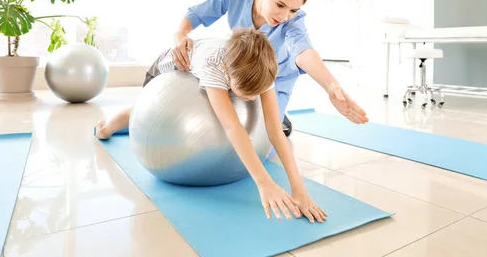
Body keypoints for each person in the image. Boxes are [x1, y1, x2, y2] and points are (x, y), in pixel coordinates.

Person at [96, 28, 327, 224]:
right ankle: (108, 126)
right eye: (247, 94)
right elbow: (232, 127)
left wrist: (300, 190)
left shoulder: (262, 70)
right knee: (141, 112)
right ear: (227, 72)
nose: (253, 99)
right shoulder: (214, 68)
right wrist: (264, 182)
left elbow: (275, 129)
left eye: (257, 93)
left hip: (213, 64)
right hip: (170, 70)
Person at [172, 0, 368, 136]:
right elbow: (199, 13)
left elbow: (303, 51)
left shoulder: (293, 21)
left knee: (264, 140)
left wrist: (331, 87)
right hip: (247, 69)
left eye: (293, 10)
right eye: (280, 5)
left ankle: (281, 118)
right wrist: (180, 34)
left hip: (278, 77)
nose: (284, 16)